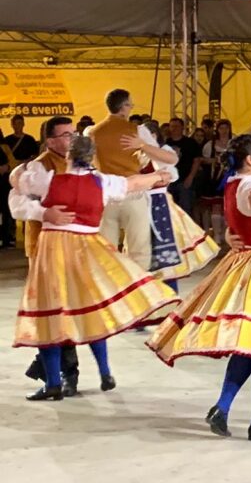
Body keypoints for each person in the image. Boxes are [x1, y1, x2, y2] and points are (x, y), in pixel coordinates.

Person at [147, 134, 251, 441]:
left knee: (250, 344)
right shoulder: (250, 185)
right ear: (250, 159)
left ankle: (223, 407)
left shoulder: (235, 183)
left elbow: (245, 214)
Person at [14, 134, 178, 401]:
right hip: (86, 250)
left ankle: (54, 383)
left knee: (49, 314)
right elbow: (132, 183)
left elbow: (18, 186)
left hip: (52, 250)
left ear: (68, 156)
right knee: (90, 310)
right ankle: (103, 371)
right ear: (91, 157)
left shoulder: (49, 180)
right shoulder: (102, 182)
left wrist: (23, 174)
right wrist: (157, 177)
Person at [14, 116, 80, 395]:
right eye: (66, 135)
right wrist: (45, 212)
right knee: (52, 311)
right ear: (50, 140)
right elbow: (20, 204)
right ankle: (61, 372)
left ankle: (56, 370)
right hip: (43, 248)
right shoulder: (39, 166)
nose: (72, 139)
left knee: (64, 311)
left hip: (71, 247)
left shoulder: (78, 163)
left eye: (74, 133)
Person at [131, 121, 219, 292]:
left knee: (165, 250)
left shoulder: (164, 152)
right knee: (143, 251)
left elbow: (172, 175)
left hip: (159, 205)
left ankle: (170, 292)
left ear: (154, 136)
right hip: (140, 205)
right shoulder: (137, 154)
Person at [91, 89, 152, 268]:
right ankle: (138, 288)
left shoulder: (93, 132)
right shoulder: (136, 130)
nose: (132, 107)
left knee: (105, 248)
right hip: (133, 191)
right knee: (139, 248)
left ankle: (109, 288)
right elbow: (150, 156)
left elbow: (89, 162)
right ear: (123, 107)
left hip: (105, 193)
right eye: (130, 104)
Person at [1, 114, 40, 248]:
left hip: (25, 177)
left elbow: (35, 157)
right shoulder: (7, 141)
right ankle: (8, 235)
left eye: (20, 123)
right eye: (16, 123)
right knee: (8, 205)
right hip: (9, 178)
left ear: (23, 124)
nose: (18, 126)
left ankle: (26, 232)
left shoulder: (29, 140)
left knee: (27, 203)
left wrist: (24, 163)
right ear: (12, 125)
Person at [199, 119, 233, 247]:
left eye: (226, 128)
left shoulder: (234, 143)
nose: (224, 131)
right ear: (217, 130)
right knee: (216, 206)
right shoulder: (210, 144)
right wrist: (215, 161)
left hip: (230, 178)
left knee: (228, 206)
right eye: (221, 128)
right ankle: (217, 235)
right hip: (215, 178)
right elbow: (204, 159)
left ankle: (226, 233)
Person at [165, 117, 202, 219]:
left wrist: (191, 177)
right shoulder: (165, 143)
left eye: (177, 126)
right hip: (169, 181)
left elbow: (197, 161)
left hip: (184, 180)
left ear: (182, 128)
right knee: (169, 209)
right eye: (172, 126)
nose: (174, 128)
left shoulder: (190, 143)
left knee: (185, 209)